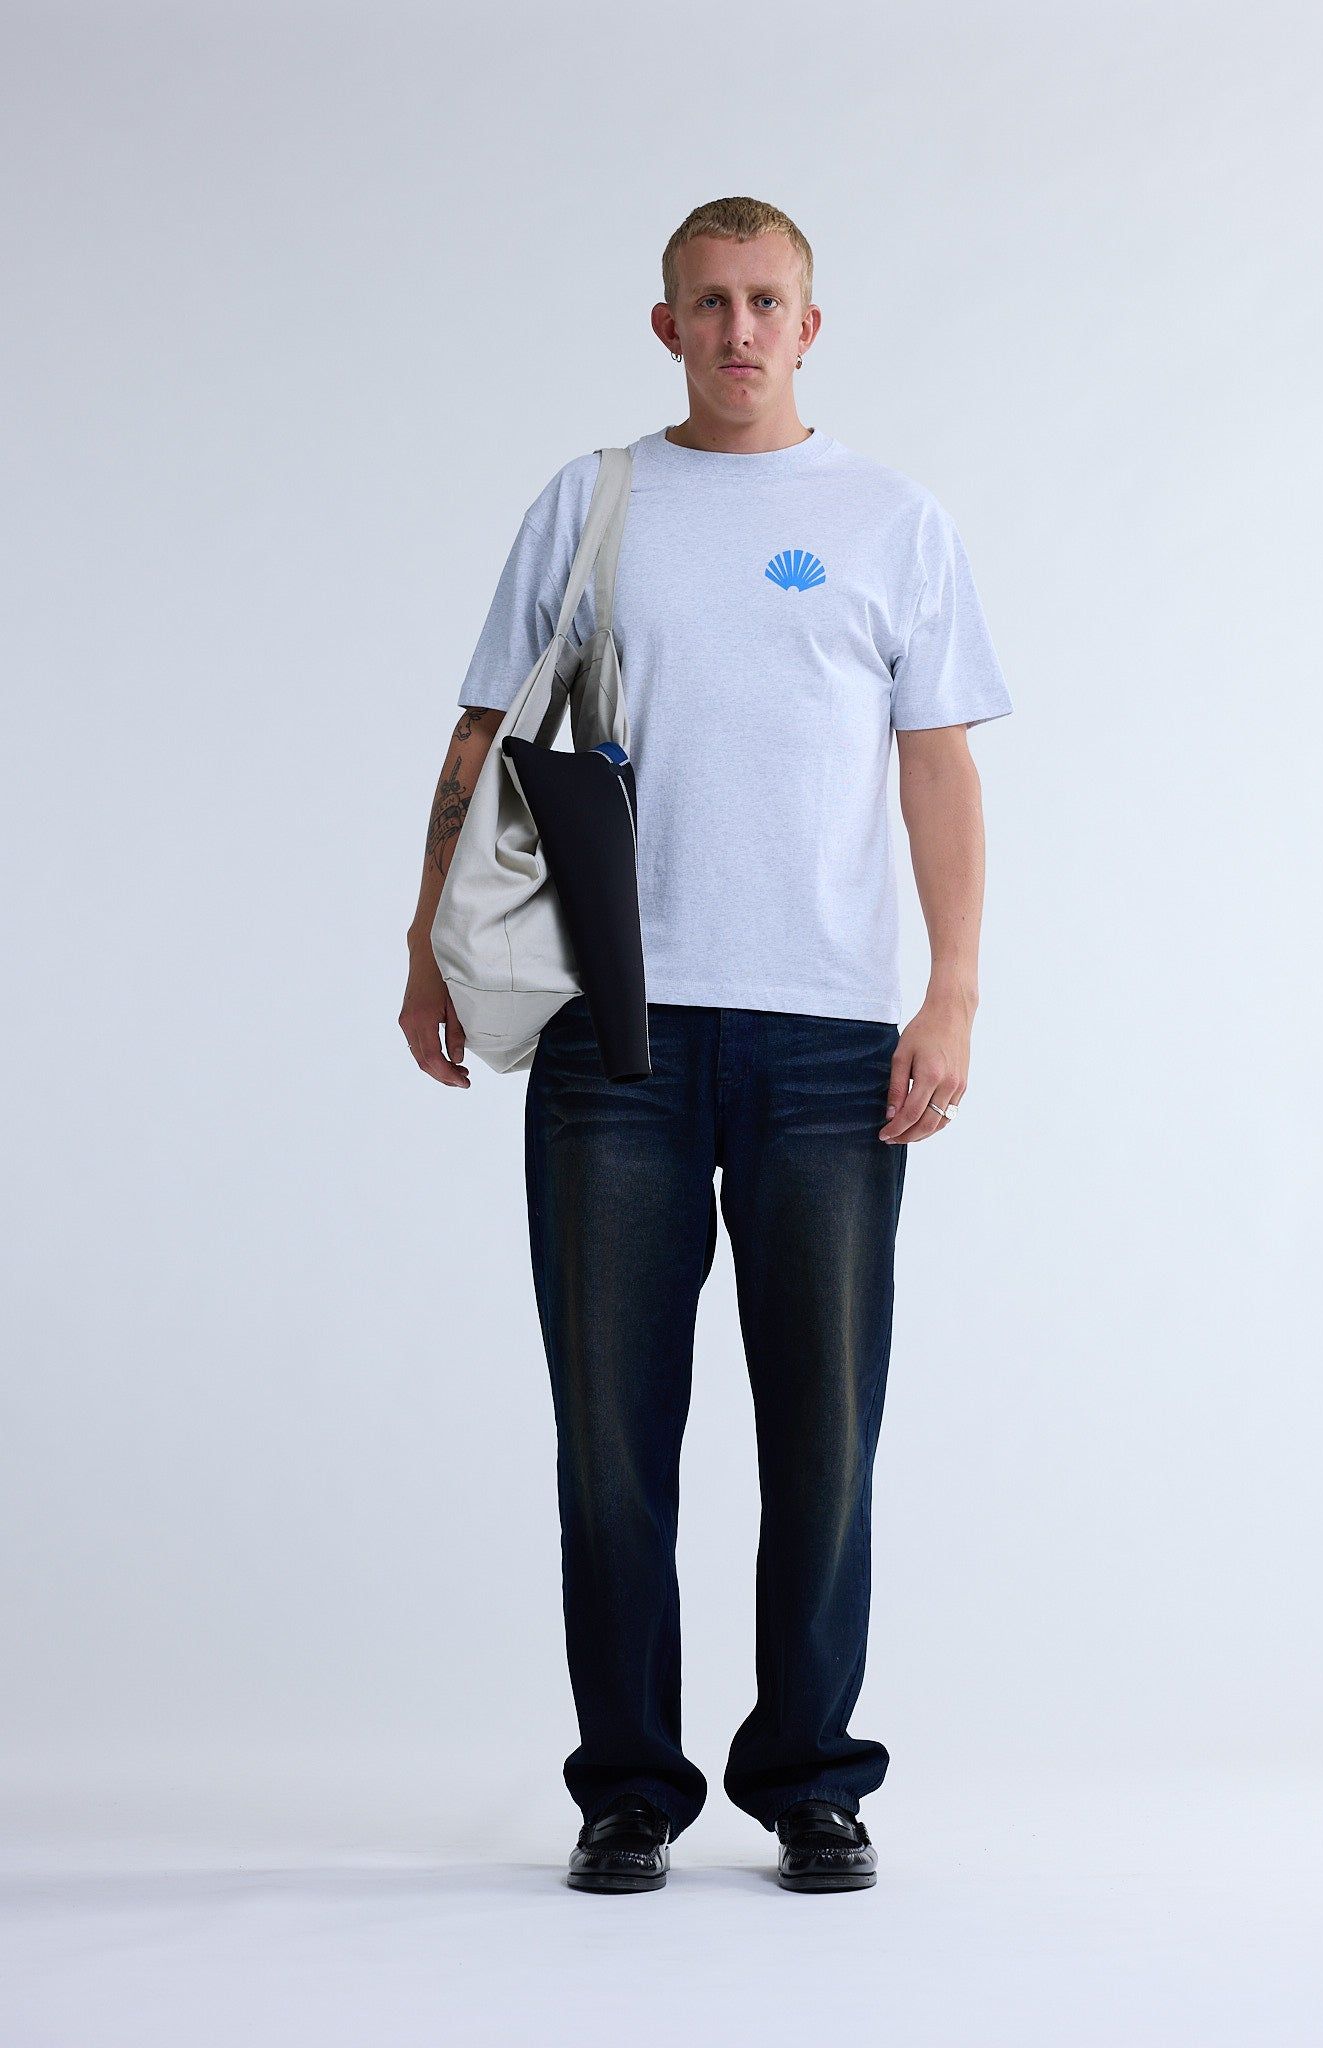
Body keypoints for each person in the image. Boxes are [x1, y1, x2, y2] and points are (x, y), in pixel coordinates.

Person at [400, 195, 1013, 1894]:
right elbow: (483, 730)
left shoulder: (891, 522)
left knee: (824, 1435)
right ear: (665, 324)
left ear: (812, 323)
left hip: (829, 1043)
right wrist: (424, 941)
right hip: (616, 1033)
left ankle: (811, 1777)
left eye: (766, 300)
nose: (739, 329)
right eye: (708, 302)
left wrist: (952, 991)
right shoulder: (591, 503)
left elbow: (939, 765)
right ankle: (629, 1788)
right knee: (611, 1438)